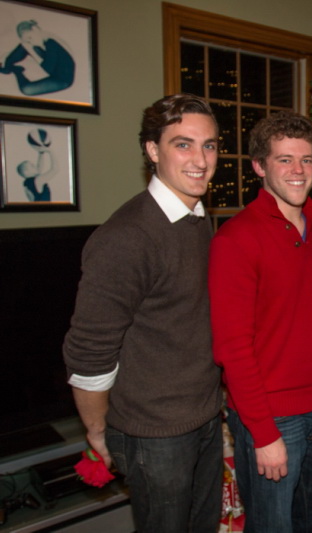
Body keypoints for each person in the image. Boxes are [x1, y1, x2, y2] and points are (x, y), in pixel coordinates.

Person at [63, 93, 223, 533]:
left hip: (204, 416)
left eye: (209, 145)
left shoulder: (196, 219)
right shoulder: (127, 237)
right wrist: (98, 431)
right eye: (183, 144)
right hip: (154, 435)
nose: (200, 160)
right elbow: (88, 352)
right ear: (152, 150)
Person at [208, 111, 312, 532]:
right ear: (259, 166)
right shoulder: (236, 239)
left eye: (306, 160)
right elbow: (232, 348)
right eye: (284, 160)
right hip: (272, 418)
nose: (298, 170)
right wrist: (263, 433)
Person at [0, 20, 75, 96]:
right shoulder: (44, 38)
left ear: (35, 29)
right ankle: (7, 66)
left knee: (26, 90)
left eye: (30, 37)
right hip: (54, 67)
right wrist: (28, 46)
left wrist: (32, 51)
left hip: (62, 79)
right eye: (29, 40)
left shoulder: (51, 42)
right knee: (24, 46)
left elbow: (48, 69)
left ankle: (16, 71)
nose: (31, 42)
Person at [17, 129, 56, 201]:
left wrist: (41, 153)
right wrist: (51, 151)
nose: (35, 165)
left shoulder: (27, 183)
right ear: (26, 172)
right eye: (32, 166)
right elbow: (55, 169)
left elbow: (39, 168)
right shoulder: (37, 181)